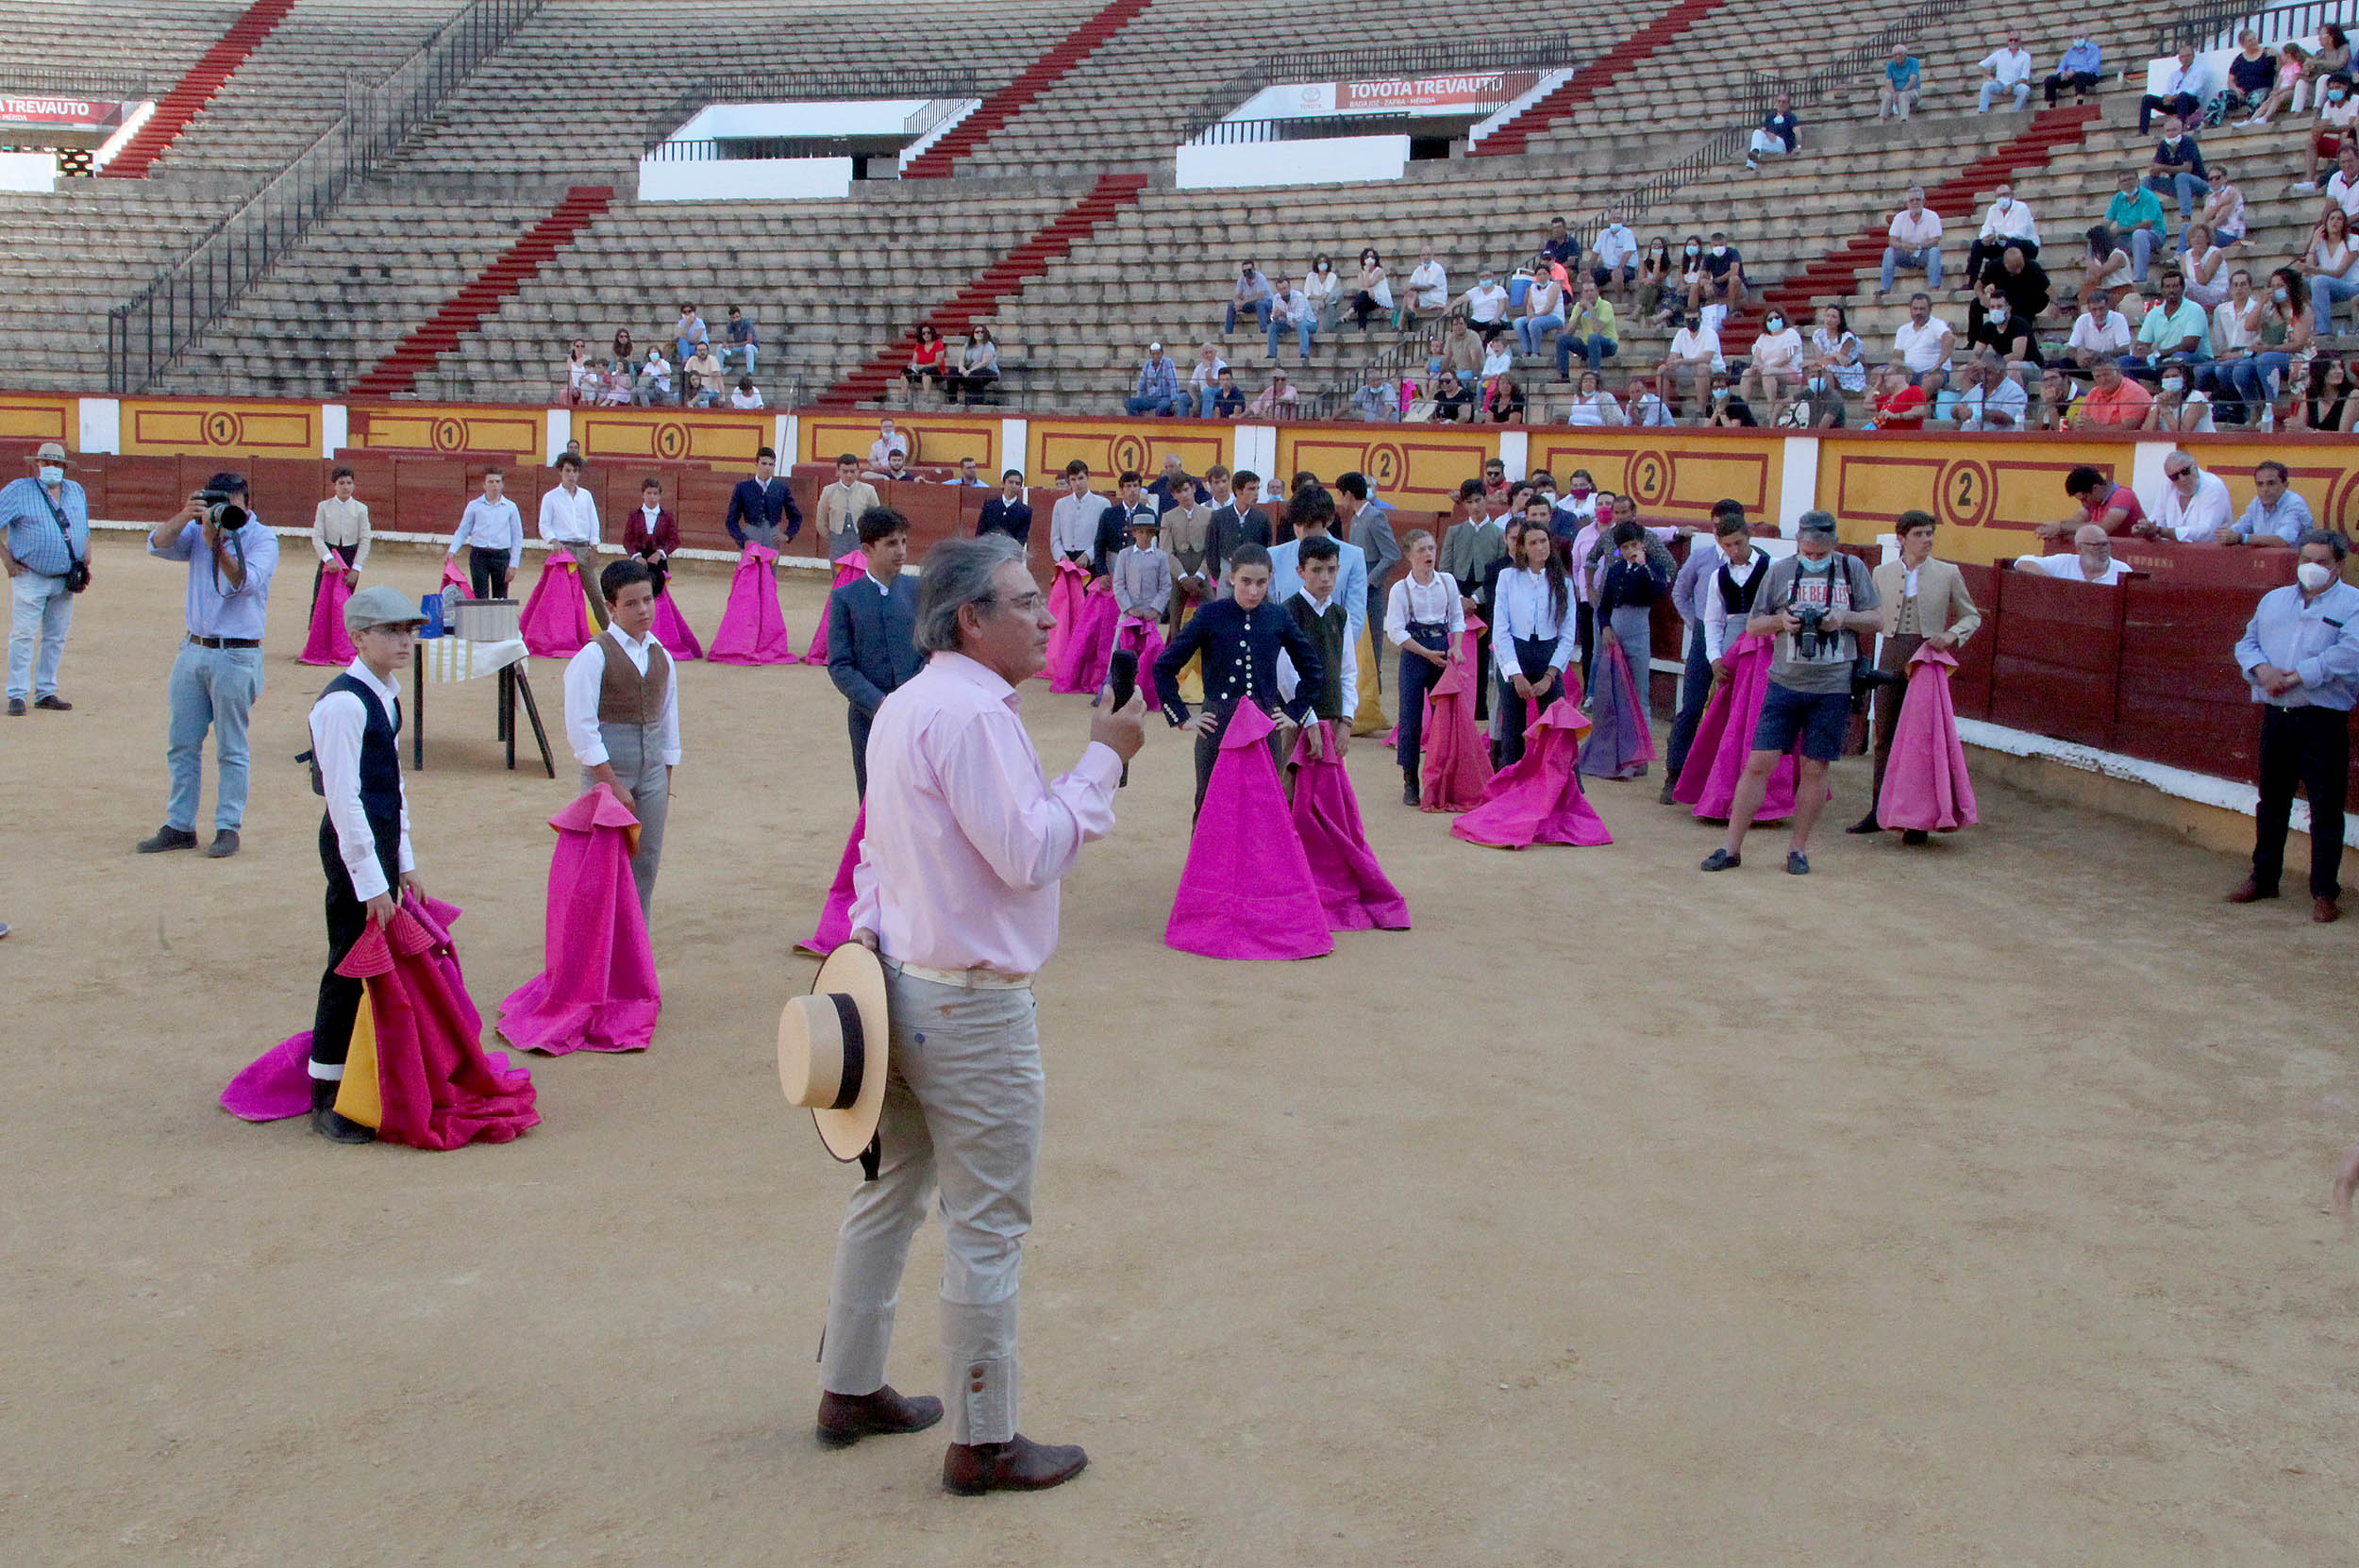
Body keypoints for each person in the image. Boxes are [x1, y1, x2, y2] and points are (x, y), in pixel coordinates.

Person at [822, 532, 1145, 1495]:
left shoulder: (907, 707)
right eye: (1024, 600)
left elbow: (878, 860)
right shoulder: (970, 717)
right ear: (971, 617)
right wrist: (1103, 762)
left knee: (888, 1195)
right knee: (987, 1224)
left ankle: (849, 1384)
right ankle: (984, 1436)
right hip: (972, 1006)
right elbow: (1027, 853)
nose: (1048, 614)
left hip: (896, 981)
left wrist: (865, 966)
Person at [301, 585, 429, 1143]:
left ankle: (359, 1077)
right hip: (353, 847)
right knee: (348, 963)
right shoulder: (344, 703)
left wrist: (403, 860)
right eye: (391, 631)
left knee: (373, 964)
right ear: (358, 637)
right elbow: (344, 799)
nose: (404, 641)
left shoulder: (385, 694)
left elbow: (391, 786)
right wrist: (373, 880)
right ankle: (326, 1093)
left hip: (375, 844)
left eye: (409, 630)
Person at [1700, 511, 1878, 876]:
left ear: (1833, 543)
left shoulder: (1851, 568)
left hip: (1832, 686)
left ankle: (1798, 849)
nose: (1813, 557)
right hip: (1784, 681)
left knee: (1815, 767)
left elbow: (1877, 619)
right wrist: (1782, 623)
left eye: (1819, 552)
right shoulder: (1780, 571)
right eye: (1807, 551)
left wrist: (1843, 619)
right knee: (1758, 763)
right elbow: (1752, 624)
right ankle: (1730, 847)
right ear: (1799, 542)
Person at [139, 474, 276, 859]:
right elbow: (157, 543)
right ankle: (180, 824)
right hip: (194, 648)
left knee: (232, 747)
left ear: (246, 503)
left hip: (237, 653)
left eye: (230, 504)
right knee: (181, 743)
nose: (222, 512)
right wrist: (187, 516)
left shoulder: (264, 538)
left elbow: (244, 582)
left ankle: (228, 827)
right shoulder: (199, 529)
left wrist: (216, 545)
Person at [2227, 530, 2359, 922]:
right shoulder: (2273, 600)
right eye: (2306, 559)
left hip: (2322, 718)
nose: (2311, 567)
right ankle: (2264, 878)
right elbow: (2246, 644)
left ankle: (2324, 892)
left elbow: (2350, 655)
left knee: (2326, 807)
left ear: (2340, 565)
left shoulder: (2354, 604)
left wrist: (2298, 677)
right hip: (2277, 715)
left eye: (2321, 561)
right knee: (2272, 801)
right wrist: (2263, 670)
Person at [1153, 542, 1320, 816]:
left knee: (1263, 805)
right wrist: (1182, 717)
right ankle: (1206, 861)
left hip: (1264, 724)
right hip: (1217, 722)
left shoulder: (1278, 617)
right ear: (1231, 577)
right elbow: (1164, 665)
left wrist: (1295, 712)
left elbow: (1313, 669)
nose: (1253, 591)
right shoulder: (1210, 615)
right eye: (1246, 582)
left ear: (1270, 580)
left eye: (1261, 583)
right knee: (1209, 802)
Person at [561, 559, 679, 925]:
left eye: (647, 600)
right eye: (631, 603)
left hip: (653, 772)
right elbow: (581, 727)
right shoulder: (594, 655)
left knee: (646, 865)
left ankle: (635, 952)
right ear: (611, 607)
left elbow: (668, 721)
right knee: (599, 869)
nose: (643, 610)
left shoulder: (662, 655)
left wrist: (664, 778)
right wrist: (610, 781)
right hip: (608, 771)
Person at [1850, 510, 1980, 839]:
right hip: (1892, 652)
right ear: (1902, 538)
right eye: (1920, 534)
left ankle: (1917, 819)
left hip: (1927, 657)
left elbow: (1971, 616)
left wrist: (1951, 636)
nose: (1927, 540)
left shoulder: (1948, 572)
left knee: (1923, 739)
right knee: (1885, 734)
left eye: (1930, 533)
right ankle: (1879, 810)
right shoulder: (1881, 573)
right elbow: (1868, 615)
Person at [825, 509, 921, 798]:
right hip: (869, 714)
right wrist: (879, 702)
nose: (901, 551)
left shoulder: (919, 589)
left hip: (917, 710)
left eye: (904, 542)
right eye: (891, 544)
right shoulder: (845, 597)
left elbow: (932, 651)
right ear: (867, 549)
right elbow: (840, 665)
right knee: (873, 794)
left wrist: (911, 695)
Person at [1663, 504, 1747, 801]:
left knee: (1739, 710)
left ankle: (1726, 782)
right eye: (1717, 527)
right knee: (1693, 705)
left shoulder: (1756, 560)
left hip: (1742, 639)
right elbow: (1679, 593)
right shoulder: (1701, 557)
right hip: (1704, 636)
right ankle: (1675, 774)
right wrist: (1695, 623)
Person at [3, 441, 87, 716]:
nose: (52, 468)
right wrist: (6, 558)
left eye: (57, 464)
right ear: (37, 464)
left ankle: (45, 691)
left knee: (55, 637)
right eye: (46, 463)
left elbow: (83, 530)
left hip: (65, 578)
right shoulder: (19, 490)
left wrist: (86, 562)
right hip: (30, 575)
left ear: (65, 467)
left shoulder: (76, 491)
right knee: (23, 636)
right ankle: (17, 694)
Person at [1385, 528, 1464, 806]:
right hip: (1416, 654)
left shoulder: (1447, 582)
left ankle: (1443, 776)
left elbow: (1457, 618)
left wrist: (1455, 647)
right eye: (1422, 550)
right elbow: (1395, 632)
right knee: (1410, 718)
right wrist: (1426, 652)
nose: (1429, 554)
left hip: (1441, 652)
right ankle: (1410, 779)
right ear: (1409, 555)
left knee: (1446, 717)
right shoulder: (1400, 589)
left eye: (1431, 548)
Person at [1489, 521, 1577, 766]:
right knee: (1512, 732)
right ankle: (1509, 790)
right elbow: (1501, 631)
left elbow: (1567, 635)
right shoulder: (1508, 577)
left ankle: (1563, 789)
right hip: (1514, 654)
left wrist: (1550, 676)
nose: (1540, 547)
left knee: (1558, 727)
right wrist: (1515, 674)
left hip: (1548, 657)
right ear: (1523, 549)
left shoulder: (1565, 583)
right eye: (1533, 542)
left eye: (1543, 541)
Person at [540, 452, 607, 630]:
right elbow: (544, 525)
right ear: (560, 472)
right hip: (563, 551)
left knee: (596, 594)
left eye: (575, 471)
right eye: (568, 471)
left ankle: (609, 632)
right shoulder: (550, 497)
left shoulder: (586, 496)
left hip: (584, 549)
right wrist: (553, 540)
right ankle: (564, 635)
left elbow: (594, 522)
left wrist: (594, 548)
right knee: (563, 598)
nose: (572, 475)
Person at [1339, 472, 1398, 668]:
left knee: (1371, 645)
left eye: (1340, 494)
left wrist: (1368, 580)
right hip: (1359, 588)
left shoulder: (1374, 517)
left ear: (1348, 494)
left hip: (1370, 590)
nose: (1340, 500)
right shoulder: (1358, 518)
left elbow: (1392, 554)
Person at [446, 467, 523, 599]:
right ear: (484, 485)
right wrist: (452, 550)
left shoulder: (511, 507)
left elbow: (517, 536)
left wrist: (513, 564)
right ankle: (483, 620)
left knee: (500, 597)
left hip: (501, 556)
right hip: (479, 555)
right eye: (491, 481)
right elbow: (463, 530)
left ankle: (498, 621)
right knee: (480, 596)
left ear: (502, 485)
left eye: (497, 481)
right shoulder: (474, 505)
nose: (494, 485)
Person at [310, 465, 370, 616]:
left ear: (354, 485)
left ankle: (341, 636)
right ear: (334, 486)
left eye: (349, 483)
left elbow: (365, 540)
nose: (346, 487)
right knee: (321, 599)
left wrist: (356, 568)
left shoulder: (361, 509)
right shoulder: (323, 507)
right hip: (329, 555)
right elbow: (317, 536)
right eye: (341, 483)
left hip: (350, 557)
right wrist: (328, 559)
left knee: (345, 599)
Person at [1202, 466, 1272, 593]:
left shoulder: (1261, 518)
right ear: (1238, 491)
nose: (1256, 493)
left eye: (1257, 488)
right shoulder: (1219, 516)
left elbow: (1266, 546)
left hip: (1253, 573)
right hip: (1226, 573)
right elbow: (1211, 548)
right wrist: (1219, 575)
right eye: (1251, 489)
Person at [2137, 451, 2233, 541]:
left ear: (2195, 467)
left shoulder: (2214, 486)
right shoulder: (2168, 485)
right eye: (2175, 477)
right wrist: (2146, 528)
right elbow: (2158, 519)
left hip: (2210, 553)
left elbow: (2206, 532)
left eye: (2185, 471)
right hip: (2174, 551)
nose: (2182, 479)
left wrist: (2162, 531)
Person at [2040, 463, 2146, 540]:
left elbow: (2103, 529)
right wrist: (2054, 531)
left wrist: (2060, 527)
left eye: (2084, 499)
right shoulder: (2093, 500)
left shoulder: (2123, 495)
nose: (2084, 504)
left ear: (2095, 488)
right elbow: (2076, 522)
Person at [726, 445, 800, 553]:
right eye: (764, 463)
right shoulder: (743, 488)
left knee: (769, 569)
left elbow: (796, 517)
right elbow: (731, 520)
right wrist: (743, 540)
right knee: (750, 569)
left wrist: (787, 535)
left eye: (771, 464)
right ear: (756, 464)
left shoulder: (781, 488)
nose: (767, 468)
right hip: (750, 535)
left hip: (772, 536)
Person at [2223, 460, 2316, 544]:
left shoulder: (2294, 503)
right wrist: (2226, 534)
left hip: (2295, 561)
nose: (2265, 489)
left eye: (2271, 483)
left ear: (2285, 485)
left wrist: (2242, 538)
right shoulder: (2256, 503)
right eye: (2260, 484)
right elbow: (2240, 528)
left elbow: (2283, 540)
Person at [1967, 184, 2041, 287]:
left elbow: (2020, 233)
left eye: (2005, 194)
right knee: (1978, 244)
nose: (2002, 198)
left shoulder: (2021, 208)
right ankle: (1973, 282)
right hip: (2003, 247)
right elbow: (1986, 229)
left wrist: (1999, 236)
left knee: (2012, 242)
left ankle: (2007, 282)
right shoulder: (1993, 209)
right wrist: (1985, 238)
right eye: (1999, 196)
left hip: (2027, 246)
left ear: (2011, 195)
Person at [1879, 188, 1945, 299]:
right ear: (1907, 203)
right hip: (1905, 253)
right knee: (1889, 252)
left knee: (1935, 251)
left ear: (1923, 201)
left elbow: (1935, 240)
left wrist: (1917, 246)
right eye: (1912, 200)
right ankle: (1885, 289)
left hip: (1923, 254)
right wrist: (1904, 246)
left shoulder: (1932, 216)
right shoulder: (1900, 217)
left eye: (1918, 200)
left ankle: (1934, 288)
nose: (1915, 203)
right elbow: (1892, 240)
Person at [2144, 115, 2210, 225]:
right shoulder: (2163, 145)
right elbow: (2155, 171)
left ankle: (2186, 218)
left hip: (2198, 183)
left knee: (2182, 177)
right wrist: (2154, 169)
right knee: (2147, 181)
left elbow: (2187, 169)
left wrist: (2162, 167)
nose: (2171, 133)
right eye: (2168, 131)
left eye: (2174, 130)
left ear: (2181, 130)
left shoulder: (2187, 142)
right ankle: (2150, 215)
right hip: (2177, 185)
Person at [818, 455, 884, 562]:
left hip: (861, 540)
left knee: (860, 573)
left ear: (858, 471)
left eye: (852, 471)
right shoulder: (828, 491)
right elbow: (821, 519)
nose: (849, 475)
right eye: (845, 471)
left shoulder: (868, 490)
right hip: (837, 540)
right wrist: (832, 538)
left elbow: (877, 518)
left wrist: (869, 537)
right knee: (839, 575)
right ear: (838, 472)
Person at [2104, 169, 2167, 283]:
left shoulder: (2148, 196)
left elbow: (2147, 224)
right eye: (2124, 181)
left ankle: (2139, 279)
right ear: (2119, 185)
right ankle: (2094, 278)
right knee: (2098, 238)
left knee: (2139, 234)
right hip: (2125, 238)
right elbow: (2107, 221)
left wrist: (2119, 231)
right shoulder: (2117, 199)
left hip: (2153, 235)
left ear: (2137, 181)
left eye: (2131, 179)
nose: (2128, 183)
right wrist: (2100, 233)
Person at [2015, 524, 2132, 583]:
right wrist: (2051, 583)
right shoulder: (2064, 562)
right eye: (2096, 545)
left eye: (2106, 544)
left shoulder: (2122, 569)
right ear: (2080, 549)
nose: (2104, 549)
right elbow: (2023, 561)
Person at [1892, 292, 1954, 397]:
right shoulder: (1903, 330)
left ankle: (1916, 409)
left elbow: (1949, 338)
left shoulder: (1937, 324)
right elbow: (1898, 355)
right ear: (1910, 310)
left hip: (1934, 372)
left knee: (1929, 382)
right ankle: (1889, 410)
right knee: (1881, 374)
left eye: (1922, 309)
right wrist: (1899, 373)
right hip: (1910, 373)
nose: (1918, 312)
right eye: (1915, 309)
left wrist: (1938, 364)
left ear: (1930, 309)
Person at [2140, 42, 2211, 135]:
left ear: (2193, 56)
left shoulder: (2200, 71)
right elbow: (2167, 90)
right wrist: (2167, 97)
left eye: (2188, 55)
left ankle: (2181, 128)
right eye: (2182, 56)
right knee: (2147, 99)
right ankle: (2143, 132)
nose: (2185, 59)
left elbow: (2194, 90)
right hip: (2173, 102)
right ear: (2179, 58)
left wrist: (2174, 97)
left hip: (2190, 102)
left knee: (2183, 96)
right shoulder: (2175, 74)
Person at [1555, 277, 1617, 380]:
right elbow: (1568, 332)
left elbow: (1597, 329)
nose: (1589, 293)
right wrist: (1580, 313)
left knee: (1593, 337)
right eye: (1586, 291)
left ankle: (1594, 376)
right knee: (1561, 339)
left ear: (1597, 292)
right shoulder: (1578, 306)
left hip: (1608, 345)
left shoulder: (1606, 306)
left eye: (1592, 290)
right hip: (1589, 345)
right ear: (1582, 295)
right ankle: (1564, 376)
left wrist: (1590, 308)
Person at [1741, 308, 1803, 409]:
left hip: (1789, 371)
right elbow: (1757, 357)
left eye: (1776, 317)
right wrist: (1756, 366)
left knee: (1768, 372)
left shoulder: (1790, 333)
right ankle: (1743, 408)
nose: (1773, 320)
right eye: (1769, 319)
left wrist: (1766, 367)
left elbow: (1787, 358)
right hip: (1765, 369)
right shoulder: (1763, 337)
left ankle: (1771, 407)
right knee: (1747, 373)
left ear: (1782, 318)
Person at [1948, 350, 2027, 429]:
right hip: (1969, 439)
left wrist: (1977, 412)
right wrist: (1957, 410)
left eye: (1988, 373)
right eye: (1981, 373)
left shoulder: (2014, 390)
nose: (1984, 377)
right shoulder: (1978, 388)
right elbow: (1957, 408)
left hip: (1995, 440)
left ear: (2001, 373)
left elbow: (2010, 417)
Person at [2073, 358, 2155, 428]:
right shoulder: (2093, 393)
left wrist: (2096, 429)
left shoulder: (2133, 392)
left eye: (2107, 375)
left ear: (2119, 372)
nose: (2103, 380)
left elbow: (2128, 428)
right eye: (2098, 376)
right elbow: (2081, 421)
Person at [624, 477, 679, 583]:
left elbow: (674, 540)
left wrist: (660, 553)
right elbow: (627, 540)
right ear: (643, 494)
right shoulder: (634, 516)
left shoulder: (667, 517)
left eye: (655, 493)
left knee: (659, 594)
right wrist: (636, 556)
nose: (652, 497)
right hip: (638, 563)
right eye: (649, 493)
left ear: (659, 496)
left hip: (659, 563)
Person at [1977, 32, 2034, 112]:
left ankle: (2015, 111)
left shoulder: (2025, 56)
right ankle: (1982, 111)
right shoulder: (1999, 53)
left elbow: (2024, 78)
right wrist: (1989, 78)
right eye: (2011, 40)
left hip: (2015, 85)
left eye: (2016, 40)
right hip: (2000, 84)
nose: (2013, 42)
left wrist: (2012, 85)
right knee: (1986, 85)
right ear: (2007, 41)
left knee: (2025, 89)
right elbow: (1981, 65)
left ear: (2020, 41)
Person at [2045, 31, 2102, 105]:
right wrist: (2062, 73)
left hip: (2089, 75)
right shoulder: (2070, 51)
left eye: (2080, 36)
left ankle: (2079, 103)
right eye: (2075, 37)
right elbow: (2062, 65)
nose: (2078, 39)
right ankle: (2051, 106)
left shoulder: (2094, 49)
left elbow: (2092, 66)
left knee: (2079, 76)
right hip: (2070, 76)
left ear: (2087, 37)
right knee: (2050, 80)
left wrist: (2074, 71)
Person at [1745, 91, 1798, 171]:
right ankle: (1753, 159)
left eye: (1784, 102)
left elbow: (1797, 130)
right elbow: (1763, 130)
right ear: (1775, 103)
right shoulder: (1771, 117)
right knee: (1757, 132)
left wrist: (1799, 146)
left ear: (1787, 104)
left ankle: (1752, 162)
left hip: (1782, 144)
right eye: (1779, 101)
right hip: (1771, 142)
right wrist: (1768, 134)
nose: (1781, 104)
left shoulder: (1790, 117)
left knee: (1759, 137)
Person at [1592, 210, 1638, 299]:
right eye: (1614, 218)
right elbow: (1595, 252)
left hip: (1626, 268)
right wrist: (1588, 269)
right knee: (1591, 275)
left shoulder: (1627, 233)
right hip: (1608, 268)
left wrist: (1619, 268)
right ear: (1609, 220)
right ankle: (1597, 300)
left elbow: (1627, 254)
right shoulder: (1604, 234)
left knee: (1617, 274)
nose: (1616, 220)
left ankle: (1619, 301)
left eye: (1619, 219)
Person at [977, 470, 1032, 544]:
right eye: (1010, 482)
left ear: (1020, 487)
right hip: (988, 549)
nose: (1014, 486)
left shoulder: (1025, 511)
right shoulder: (989, 505)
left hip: (1008, 552)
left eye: (1017, 484)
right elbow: (980, 531)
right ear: (1003, 484)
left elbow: (1021, 538)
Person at [947, 326, 998, 406]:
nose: (979, 334)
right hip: (970, 371)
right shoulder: (968, 344)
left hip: (989, 371)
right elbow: (962, 358)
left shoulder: (988, 345)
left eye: (982, 332)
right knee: (953, 371)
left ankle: (976, 402)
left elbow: (985, 362)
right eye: (977, 332)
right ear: (973, 334)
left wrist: (970, 371)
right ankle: (952, 400)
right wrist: (961, 367)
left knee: (974, 375)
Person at [1266, 280, 1314, 359]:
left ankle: (1304, 354)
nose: (1283, 291)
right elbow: (1273, 317)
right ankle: (1272, 354)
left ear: (1289, 287)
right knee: (1272, 326)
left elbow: (1300, 318)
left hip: (1309, 322)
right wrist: (1274, 316)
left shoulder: (1299, 296)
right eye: (1280, 289)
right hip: (1289, 323)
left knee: (1302, 325)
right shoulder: (1276, 298)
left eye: (1285, 288)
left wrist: (1283, 314)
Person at [1224, 260, 1274, 335]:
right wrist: (1237, 303)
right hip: (1251, 303)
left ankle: (1264, 331)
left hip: (1266, 302)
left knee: (1259, 304)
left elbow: (1260, 296)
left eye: (1249, 270)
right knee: (1231, 305)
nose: (1247, 272)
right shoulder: (1241, 280)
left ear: (1254, 269)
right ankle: (1228, 333)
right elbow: (1236, 295)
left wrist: (1243, 302)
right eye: (1244, 271)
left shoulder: (1260, 277)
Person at [1405, 242, 1448, 321]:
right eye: (1423, 255)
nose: (1426, 257)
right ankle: (1409, 312)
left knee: (1411, 293)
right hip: (1424, 298)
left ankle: (1406, 317)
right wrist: (1411, 287)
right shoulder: (1419, 269)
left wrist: (1413, 287)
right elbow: (1410, 284)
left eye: (1428, 254)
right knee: (1410, 293)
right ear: (1420, 257)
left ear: (1432, 255)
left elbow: (1428, 287)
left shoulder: (1437, 269)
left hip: (1436, 299)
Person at [1878, 44, 1922, 121]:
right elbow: (1888, 82)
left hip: (1912, 91)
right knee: (1887, 96)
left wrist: (1901, 92)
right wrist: (1893, 93)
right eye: (1895, 55)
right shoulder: (1890, 65)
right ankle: (1881, 120)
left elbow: (1913, 80)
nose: (1897, 57)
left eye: (1899, 54)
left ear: (1905, 54)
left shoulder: (1914, 62)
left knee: (1903, 96)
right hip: (1896, 91)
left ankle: (1904, 120)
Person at [1186, 342, 1228, 418]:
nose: (1209, 355)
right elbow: (1190, 387)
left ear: (1215, 353)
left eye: (1211, 352)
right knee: (1183, 398)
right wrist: (1195, 399)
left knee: (1207, 391)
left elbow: (1211, 384)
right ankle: (1182, 424)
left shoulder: (1221, 365)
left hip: (1219, 394)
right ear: (1202, 355)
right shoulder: (1199, 367)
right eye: (1206, 353)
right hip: (1203, 395)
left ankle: (1205, 420)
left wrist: (1207, 368)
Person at [721, 306, 759, 376]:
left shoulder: (747, 323)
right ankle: (720, 369)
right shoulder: (731, 324)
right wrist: (725, 344)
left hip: (752, 348)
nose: (735, 320)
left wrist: (734, 345)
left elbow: (749, 341)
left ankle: (749, 371)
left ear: (740, 315)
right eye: (733, 318)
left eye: (737, 317)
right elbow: (726, 338)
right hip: (739, 349)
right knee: (720, 347)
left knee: (748, 347)